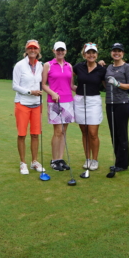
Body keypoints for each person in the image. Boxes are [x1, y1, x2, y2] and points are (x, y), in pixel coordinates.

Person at [12, 39, 45, 175]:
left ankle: (34, 161)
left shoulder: (41, 66)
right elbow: (15, 85)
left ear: (38, 50)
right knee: (22, 134)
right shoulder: (19, 65)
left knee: (35, 134)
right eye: (30, 48)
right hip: (22, 104)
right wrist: (30, 92)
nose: (32, 50)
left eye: (35, 48)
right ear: (26, 50)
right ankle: (23, 163)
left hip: (37, 105)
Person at [42, 41, 76, 171]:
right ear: (54, 51)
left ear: (66, 51)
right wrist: (52, 93)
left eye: (62, 50)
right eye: (58, 50)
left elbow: (71, 85)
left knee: (64, 131)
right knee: (57, 131)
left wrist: (87, 89)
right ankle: (54, 160)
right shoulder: (48, 65)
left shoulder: (69, 66)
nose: (60, 52)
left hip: (68, 101)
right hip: (54, 101)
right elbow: (43, 84)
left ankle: (60, 159)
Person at [73, 43, 106, 171]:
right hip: (80, 101)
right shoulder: (78, 67)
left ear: (97, 54)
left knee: (93, 133)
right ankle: (87, 158)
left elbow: (106, 85)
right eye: (88, 53)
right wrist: (72, 87)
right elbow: (66, 75)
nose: (91, 55)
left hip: (94, 102)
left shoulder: (102, 69)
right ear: (84, 54)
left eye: (93, 53)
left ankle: (95, 159)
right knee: (84, 132)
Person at [105, 42, 129, 172]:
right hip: (110, 103)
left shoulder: (127, 67)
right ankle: (118, 162)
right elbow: (104, 82)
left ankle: (123, 164)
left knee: (121, 133)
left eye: (119, 51)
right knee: (114, 134)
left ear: (123, 53)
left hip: (122, 104)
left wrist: (117, 83)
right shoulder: (108, 67)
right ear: (111, 52)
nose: (116, 53)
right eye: (114, 51)